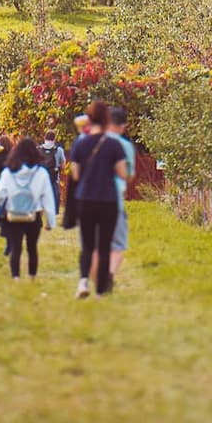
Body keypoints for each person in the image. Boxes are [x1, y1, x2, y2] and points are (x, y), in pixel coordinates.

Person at [67, 100, 129, 298]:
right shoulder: (113, 144)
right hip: (107, 200)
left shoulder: (80, 143)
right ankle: (101, 292)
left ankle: (83, 282)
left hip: (85, 199)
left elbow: (75, 174)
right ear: (106, 119)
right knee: (103, 247)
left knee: (87, 245)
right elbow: (122, 173)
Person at [0, 139, 58, 280]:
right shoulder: (41, 173)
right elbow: (48, 198)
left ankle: (16, 277)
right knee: (32, 248)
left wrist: (8, 201)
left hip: (14, 214)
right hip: (33, 215)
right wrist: (50, 221)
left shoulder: (9, 171)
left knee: (16, 248)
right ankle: (31, 277)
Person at [105, 106, 137, 278]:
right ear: (122, 125)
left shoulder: (91, 142)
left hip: (90, 199)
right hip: (114, 198)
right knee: (117, 244)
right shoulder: (125, 146)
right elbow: (129, 175)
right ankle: (109, 273)